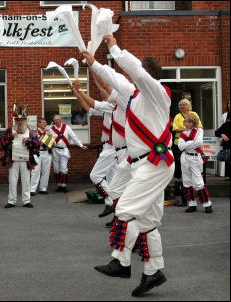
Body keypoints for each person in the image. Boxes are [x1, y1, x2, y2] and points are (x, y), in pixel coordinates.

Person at [82, 34, 174, 297]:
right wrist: (93, 64)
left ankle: (121, 261)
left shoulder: (158, 93)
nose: (134, 76)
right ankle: (153, 271)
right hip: (144, 165)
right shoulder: (133, 97)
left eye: (138, 72)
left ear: (145, 73)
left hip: (154, 164)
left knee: (123, 209)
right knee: (148, 223)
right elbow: (116, 79)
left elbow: (133, 72)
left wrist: (113, 46)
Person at [71, 77, 118, 218]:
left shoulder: (113, 107)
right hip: (109, 147)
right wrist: (77, 95)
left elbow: (93, 103)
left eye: (105, 92)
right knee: (112, 181)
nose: (102, 94)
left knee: (95, 175)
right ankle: (118, 213)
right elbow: (88, 108)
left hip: (112, 147)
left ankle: (111, 202)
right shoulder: (106, 109)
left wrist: (80, 90)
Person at [0, 105, 39, 208]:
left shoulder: (30, 131)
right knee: (12, 180)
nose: (20, 122)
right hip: (13, 159)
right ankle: (11, 201)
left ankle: (26, 200)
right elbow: (2, 142)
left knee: (26, 180)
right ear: (15, 121)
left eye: (22, 120)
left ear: (25, 121)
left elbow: (36, 143)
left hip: (26, 159)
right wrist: (9, 137)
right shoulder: (9, 131)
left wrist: (29, 141)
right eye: (18, 120)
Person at [178, 113, 213, 213]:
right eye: (186, 121)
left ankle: (207, 204)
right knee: (187, 180)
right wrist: (191, 143)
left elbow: (199, 143)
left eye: (189, 122)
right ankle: (192, 204)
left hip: (194, 157)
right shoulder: (182, 134)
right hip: (185, 157)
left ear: (194, 122)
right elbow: (180, 147)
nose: (187, 124)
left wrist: (187, 144)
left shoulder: (199, 131)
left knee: (198, 180)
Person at [49, 114, 88, 193]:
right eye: (55, 120)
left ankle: (64, 185)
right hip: (55, 150)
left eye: (58, 120)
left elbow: (74, 137)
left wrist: (81, 145)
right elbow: (49, 141)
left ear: (61, 120)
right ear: (53, 121)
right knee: (56, 169)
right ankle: (59, 185)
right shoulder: (51, 129)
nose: (57, 121)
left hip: (64, 150)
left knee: (64, 168)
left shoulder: (67, 128)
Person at [172, 99, 203, 181]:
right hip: (178, 142)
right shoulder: (178, 116)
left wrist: (184, 129)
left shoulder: (194, 114)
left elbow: (199, 126)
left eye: (184, 104)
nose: (182, 106)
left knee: (194, 162)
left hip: (193, 143)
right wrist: (187, 129)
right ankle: (178, 179)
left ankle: (193, 179)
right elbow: (175, 129)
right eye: (181, 105)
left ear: (188, 105)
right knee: (179, 162)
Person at [30, 118, 52, 196]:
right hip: (37, 152)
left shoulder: (48, 132)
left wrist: (47, 138)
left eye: (45, 122)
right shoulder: (34, 132)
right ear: (39, 124)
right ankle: (32, 189)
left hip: (46, 152)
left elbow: (51, 143)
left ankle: (43, 188)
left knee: (46, 171)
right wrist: (40, 138)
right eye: (43, 122)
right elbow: (34, 142)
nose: (45, 124)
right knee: (35, 170)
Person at [216, 99, 230, 181]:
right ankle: (227, 175)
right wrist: (222, 137)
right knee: (227, 157)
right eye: (229, 103)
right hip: (227, 140)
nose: (229, 105)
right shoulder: (225, 115)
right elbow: (220, 129)